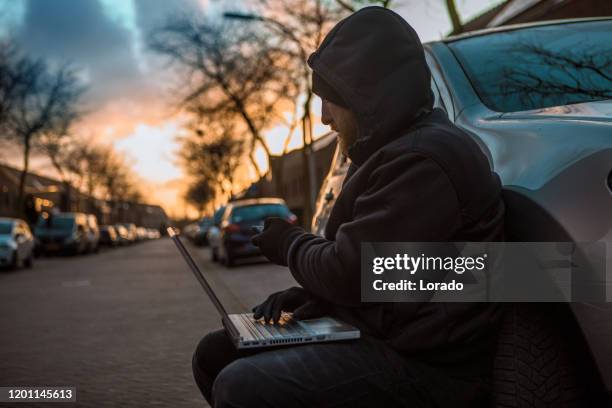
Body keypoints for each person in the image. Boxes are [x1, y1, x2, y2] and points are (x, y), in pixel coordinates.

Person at [192, 6, 505, 407]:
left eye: (332, 102)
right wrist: (319, 301)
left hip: (432, 367)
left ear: (367, 97)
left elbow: (354, 272)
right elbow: (402, 275)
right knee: (214, 353)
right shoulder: (399, 152)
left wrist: (290, 244)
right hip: (389, 331)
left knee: (241, 387)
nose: (324, 118)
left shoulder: (424, 160)